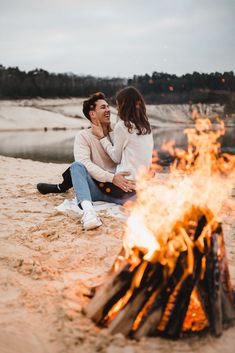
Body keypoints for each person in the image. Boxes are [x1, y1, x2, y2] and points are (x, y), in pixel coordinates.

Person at [37, 89, 153, 230]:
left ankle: (62, 187)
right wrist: (112, 178)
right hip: (98, 189)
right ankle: (89, 213)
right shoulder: (83, 136)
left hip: (123, 191)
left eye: (108, 107)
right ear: (92, 114)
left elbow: (130, 155)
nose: (108, 110)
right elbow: (85, 163)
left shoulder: (118, 130)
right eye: (103, 107)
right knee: (76, 166)